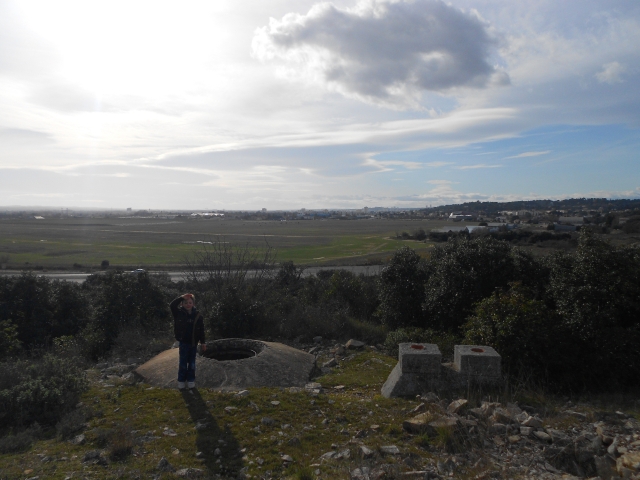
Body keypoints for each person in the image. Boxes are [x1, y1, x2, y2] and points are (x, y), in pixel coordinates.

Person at [170, 293, 206, 389]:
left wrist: (203, 342)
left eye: (190, 302)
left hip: (193, 344)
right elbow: (172, 305)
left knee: (192, 364)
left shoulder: (198, 316)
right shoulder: (178, 313)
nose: (188, 304)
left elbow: (201, 330)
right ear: (182, 304)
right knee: (183, 363)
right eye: (185, 302)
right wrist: (181, 297)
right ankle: (181, 381)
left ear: (193, 304)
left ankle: (191, 381)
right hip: (183, 343)